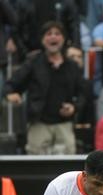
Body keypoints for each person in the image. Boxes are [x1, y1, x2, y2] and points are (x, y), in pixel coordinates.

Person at [4, 21, 84, 155]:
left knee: (67, 167)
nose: (53, 37)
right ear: (42, 40)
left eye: (57, 34)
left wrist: (74, 107)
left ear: (64, 39)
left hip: (64, 125)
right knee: (37, 168)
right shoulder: (33, 63)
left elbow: (83, 94)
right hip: (39, 123)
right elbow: (10, 84)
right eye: (49, 34)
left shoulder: (72, 66)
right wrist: (10, 94)